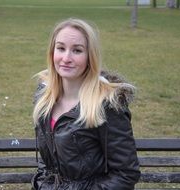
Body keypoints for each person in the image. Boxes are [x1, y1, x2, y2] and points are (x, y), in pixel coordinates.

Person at [31, 18, 140, 190]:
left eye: (77, 50)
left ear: (90, 56)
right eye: (61, 48)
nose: (66, 58)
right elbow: (48, 161)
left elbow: (125, 174)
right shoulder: (44, 98)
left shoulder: (107, 105)